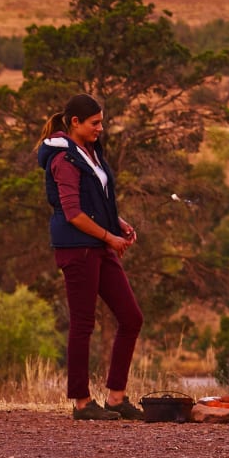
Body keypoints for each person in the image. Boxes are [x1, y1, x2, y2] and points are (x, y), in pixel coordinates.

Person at [38, 93, 145, 421]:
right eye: (94, 123)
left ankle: (116, 398)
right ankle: (82, 402)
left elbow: (98, 199)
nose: (101, 127)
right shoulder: (63, 158)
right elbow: (72, 212)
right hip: (77, 248)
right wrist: (109, 237)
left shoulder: (91, 151)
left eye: (101, 121)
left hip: (98, 245)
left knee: (131, 317)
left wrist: (118, 223)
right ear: (75, 123)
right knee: (83, 323)